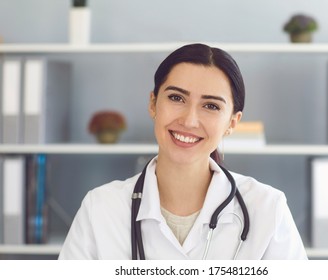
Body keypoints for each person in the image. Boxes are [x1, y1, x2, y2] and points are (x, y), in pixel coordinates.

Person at [58, 43, 307, 260]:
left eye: (210, 105)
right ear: (153, 104)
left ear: (232, 122)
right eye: (177, 98)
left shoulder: (267, 209)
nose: (189, 121)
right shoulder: (101, 208)